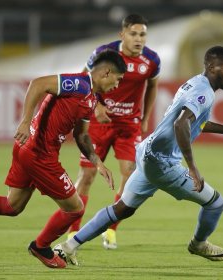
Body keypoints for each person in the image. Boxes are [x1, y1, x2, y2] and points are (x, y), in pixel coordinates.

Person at [55, 46, 223, 265]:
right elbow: (181, 124)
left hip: (147, 153)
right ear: (211, 66)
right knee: (216, 204)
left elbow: (195, 122)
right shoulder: (203, 92)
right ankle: (198, 244)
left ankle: (67, 247)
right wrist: (193, 168)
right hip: (162, 162)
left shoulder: (196, 83)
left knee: (122, 209)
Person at [0, 50, 126, 269]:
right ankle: (41, 247)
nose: (118, 85)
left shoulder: (91, 99)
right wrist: (25, 121)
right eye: (118, 79)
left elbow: (81, 135)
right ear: (107, 72)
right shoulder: (80, 84)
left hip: (29, 150)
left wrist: (98, 163)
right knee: (75, 208)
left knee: (11, 206)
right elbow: (37, 84)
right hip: (39, 153)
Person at [68, 14, 161, 250]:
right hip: (99, 123)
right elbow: (83, 77)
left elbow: (152, 86)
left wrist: (146, 117)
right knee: (87, 176)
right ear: (122, 34)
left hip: (129, 126)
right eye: (133, 34)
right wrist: (96, 105)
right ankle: (73, 231)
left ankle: (111, 230)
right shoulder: (104, 53)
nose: (138, 39)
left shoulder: (151, 60)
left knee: (129, 177)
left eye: (142, 34)